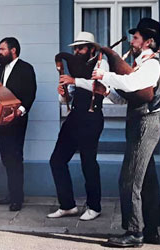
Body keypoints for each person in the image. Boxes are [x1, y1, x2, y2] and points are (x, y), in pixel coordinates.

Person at [92, 18, 160, 247]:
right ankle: (151, 229)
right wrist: (106, 92)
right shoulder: (141, 63)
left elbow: (133, 84)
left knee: (130, 179)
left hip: (145, 124)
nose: (132, 41)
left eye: (136, 37)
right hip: (139, 123)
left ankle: (134, 232)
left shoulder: (151, 64)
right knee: (146, 181)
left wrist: (105, 75)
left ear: (148, 41)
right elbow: (126, 95)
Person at [47, 32, 109, 221]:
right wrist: (63, 92)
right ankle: (67, 205)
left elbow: (101, 86)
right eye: (74, 48)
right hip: (74, 117)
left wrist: (74, 81)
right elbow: (69, 97)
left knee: (88, 163)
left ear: (91, 48)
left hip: (92, 118)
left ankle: (94, 206)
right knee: (57, 160)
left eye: (80, 47)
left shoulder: (101, 63)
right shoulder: (75, 68)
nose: (76, 51)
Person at [0, 37, 37, 211]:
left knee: (16, 157)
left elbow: (31, 93)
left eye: (2, 49)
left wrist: (21, 111)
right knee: (6, 157)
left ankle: (17, 198)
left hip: (17, 120)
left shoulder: (26, 69)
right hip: (0, 120)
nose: (0, 52)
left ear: (13, 51)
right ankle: (11, 193)